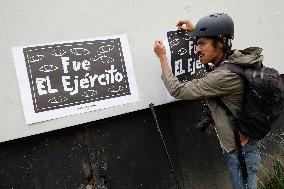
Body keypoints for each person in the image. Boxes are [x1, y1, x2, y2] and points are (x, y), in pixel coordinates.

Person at [154, 13, 261, 189]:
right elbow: (214, 47)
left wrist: (163, 59)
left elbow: (178, 90)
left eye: (201, 43)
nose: (197, 49)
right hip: (245, 142)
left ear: (220, 44)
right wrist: (196, 32)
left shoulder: (223, 76)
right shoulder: (233, 58)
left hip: (240, 152)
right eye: (197, 43)